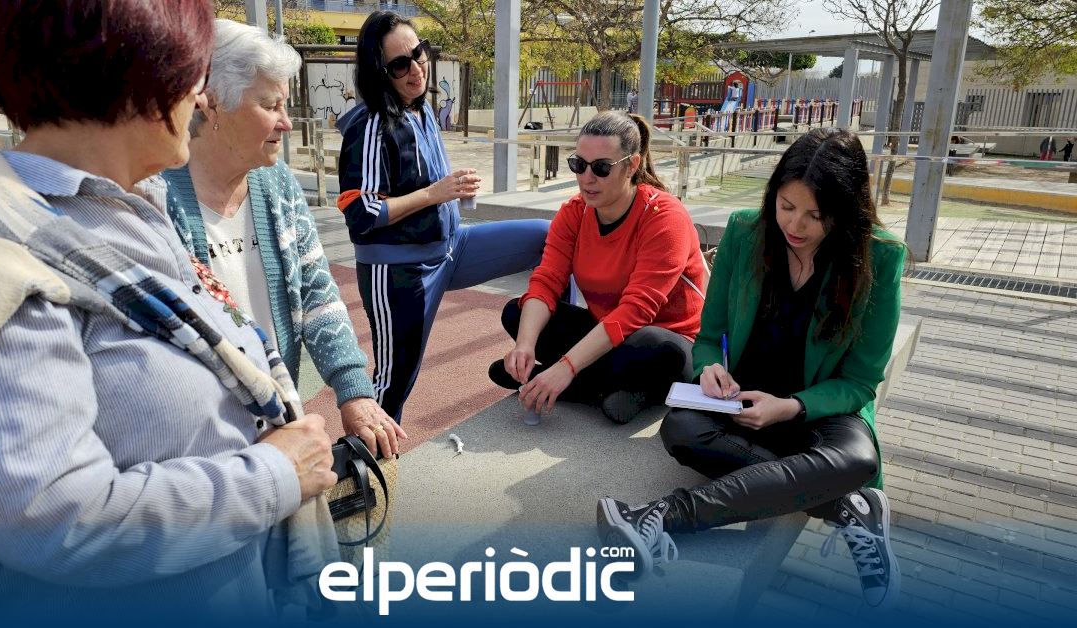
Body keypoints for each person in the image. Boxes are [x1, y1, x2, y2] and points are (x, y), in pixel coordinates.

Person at [0, 1, 339, 622]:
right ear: (136, 74)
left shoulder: (125, 207)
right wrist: (274, 475)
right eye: (193, 72)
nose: (201, 97)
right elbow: (51, 517)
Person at [597, 127, 906, 610]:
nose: (795, 225)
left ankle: (662, 515)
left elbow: (861, 381)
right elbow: (708, 336)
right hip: (739, 402)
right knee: (680, 429)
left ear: (846, 210)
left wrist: (791, 407)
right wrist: (709, 369)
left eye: (815, 215)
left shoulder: (879, 257)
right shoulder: (745, 233)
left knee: (857, 460)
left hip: (819, 410)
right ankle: (846, 504)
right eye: (786, 206)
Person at [163, 18, 405, 458]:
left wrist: (353, 391)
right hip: (197, 441)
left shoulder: (277, 184)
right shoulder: (158, 198)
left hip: (277, 419)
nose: (286, 123)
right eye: (270, 105)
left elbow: (316, 292)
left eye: (286, 105)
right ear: (212, 104)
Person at [336, 11, 549, 422]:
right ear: (379, 71)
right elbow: (361, 213)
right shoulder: (370, 125)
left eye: (419, 53)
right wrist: (435, 193)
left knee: (548, 236)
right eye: (400, 64)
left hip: (452, 247)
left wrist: (452, 190)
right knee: (393, 384)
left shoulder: (422, 109)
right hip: (400, 271)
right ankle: (367, 458)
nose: (416, 68)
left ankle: (561, 359)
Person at [489, 111, 707, 425]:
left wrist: (566, 367)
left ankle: (573, 384)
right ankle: (612, 390)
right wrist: (525, 344)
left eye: (601, 168)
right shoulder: (574, 212)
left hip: (668, 341)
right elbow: (547, 281)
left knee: (651, 346)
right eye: (579, 164)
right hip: (606, 332)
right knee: (516, 313)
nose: (586, 178)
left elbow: (636, 310)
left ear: (632, 165)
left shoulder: (664, 217)